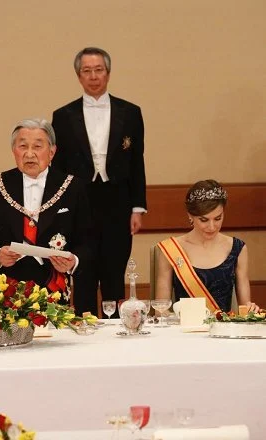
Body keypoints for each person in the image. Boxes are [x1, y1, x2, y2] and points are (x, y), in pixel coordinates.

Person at [51, 46, 147, 315]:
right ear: (79, 76)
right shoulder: (63, 116)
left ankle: (118, 330)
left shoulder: (130, 112)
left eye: (99, 70)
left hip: (117, 199)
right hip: (80, 200)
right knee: (82, 271)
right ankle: (84, 326)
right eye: (87, 71)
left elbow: (137, 161)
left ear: (108, 73)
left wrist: (137, 207)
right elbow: (58, 168)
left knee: (114, 271)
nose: (93, 76)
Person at [0, 118, 92, 305]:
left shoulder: (72, 187)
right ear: (13, 151)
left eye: (37, 146)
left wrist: (73, 260)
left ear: (52, 152)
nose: (29, 154)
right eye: (23, 146)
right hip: (5, 291)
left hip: (54, 289)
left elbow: (88, 241)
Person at [155, 180, 259, 313]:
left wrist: (251, 309)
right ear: (190, 216)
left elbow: (245, 310)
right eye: (204, 220)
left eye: (218, 218)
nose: (212, 227)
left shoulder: (237, 248)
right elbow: (161, 311)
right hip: (184, 331)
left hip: (224, 330)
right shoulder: (171, 249)